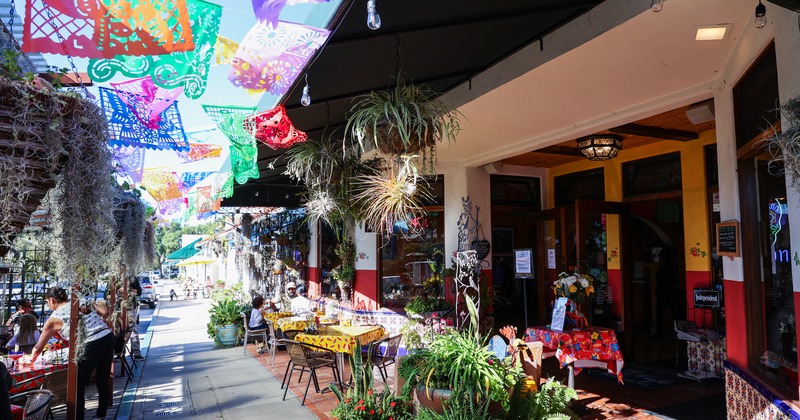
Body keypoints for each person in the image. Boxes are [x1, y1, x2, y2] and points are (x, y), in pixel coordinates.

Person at [23, 286, 114, 420]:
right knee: (103, 379)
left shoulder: (54, 319)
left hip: (89, 343)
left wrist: (30, 358)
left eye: (47, 302)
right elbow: (105, 312)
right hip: (106, 337)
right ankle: (101, 415)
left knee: (77, 385)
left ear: (52, 300)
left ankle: (78, 417)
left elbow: (38, 348)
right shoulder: (79, 303)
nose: (48, 306)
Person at [654, 247, 681, 336]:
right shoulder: (673, 267)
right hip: (672, 292)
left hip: (662, 293)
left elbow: (658, 279)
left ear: (661, 258)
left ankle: (659, 332)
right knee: (675, 312)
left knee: (659, 313)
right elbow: (677, 280)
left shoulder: (661, 268)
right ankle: (680, 331)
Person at [125, 278, 143, 360]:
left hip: (130, 308)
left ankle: (136, 352)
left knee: (132, 329)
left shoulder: (132, 278)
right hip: (117, 308)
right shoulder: (114, 278)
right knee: (118, 330)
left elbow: (139, 292)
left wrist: (128, 291)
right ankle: (120, 351)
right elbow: (106, 294)